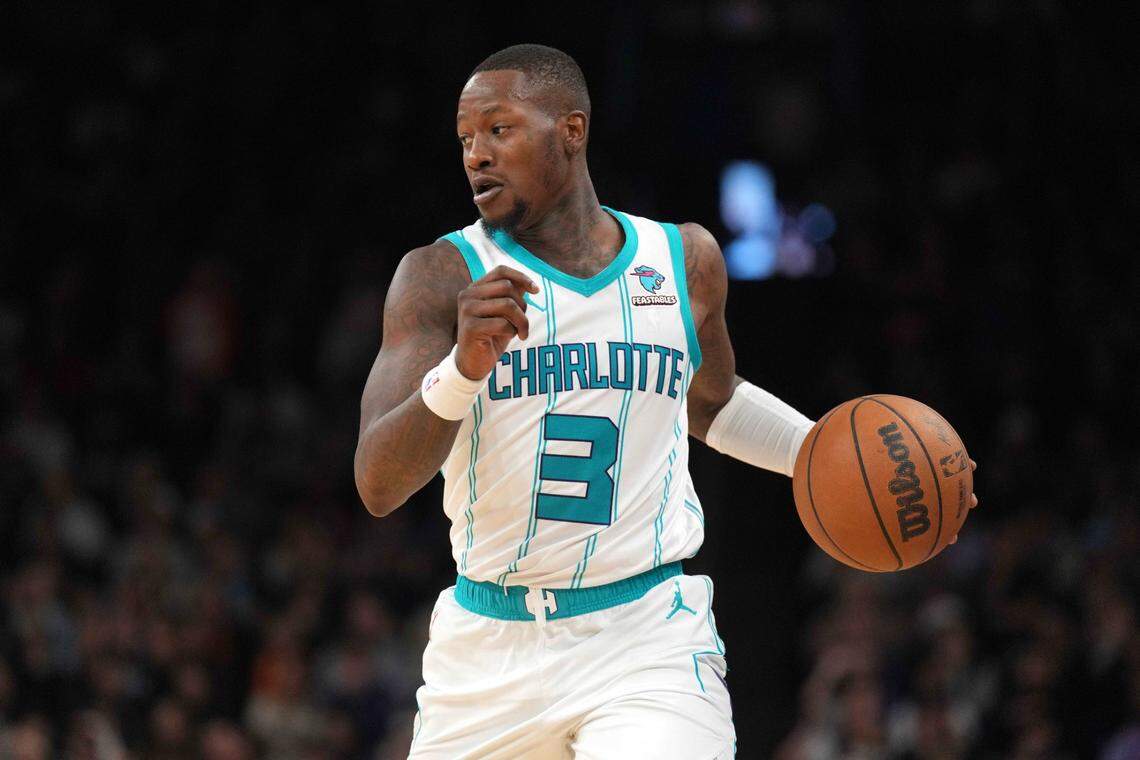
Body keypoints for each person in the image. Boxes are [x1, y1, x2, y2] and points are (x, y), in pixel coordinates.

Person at [354, 44, 974, 759]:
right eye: (465, 139)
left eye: (499, 129)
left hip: (644, 637)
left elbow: (709, 403)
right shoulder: (438, 277)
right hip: (488, 648)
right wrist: (461, 372)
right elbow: (376, 483)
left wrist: (821, 452)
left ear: (571, 130)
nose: (476, 156)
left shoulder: (684, 260)